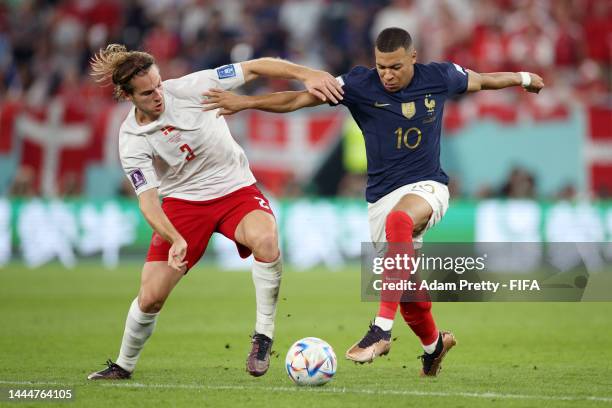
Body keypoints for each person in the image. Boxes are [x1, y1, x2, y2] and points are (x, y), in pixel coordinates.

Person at [202, 27, 544, 377]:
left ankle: (380, 330)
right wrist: (245, 103)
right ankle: (434, 346)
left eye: (395, 66)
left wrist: (522, 77)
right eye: (381, 67)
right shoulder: (358, 85)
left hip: (428, 187)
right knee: (407, 288)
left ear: (413, 58)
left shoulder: (439, 76)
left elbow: (482, 80)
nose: (387, 75)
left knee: (400, 223)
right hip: (380, 199)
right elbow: (299, 99)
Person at [86, 44, 343, 380]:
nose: (159, 95)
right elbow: (149, 202)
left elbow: (254, 67)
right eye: (148, 93)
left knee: (266, 240)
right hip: (183, 205)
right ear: (127, 96)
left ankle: (263, 335)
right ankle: (123, 365)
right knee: (150, 298)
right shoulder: (132, 139)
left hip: (235, 190)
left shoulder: (191, 88)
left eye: (159, 84)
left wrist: (306, 73)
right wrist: (174, 238)